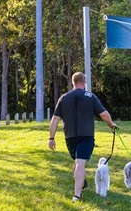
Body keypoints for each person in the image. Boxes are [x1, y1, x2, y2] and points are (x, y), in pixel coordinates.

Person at [48, 72, 117, 203]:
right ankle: (77, 195)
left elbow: (55, 119)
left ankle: (82, 183)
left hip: (70, 137)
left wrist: (51, 138)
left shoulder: (64, 97)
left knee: (77, 160)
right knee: (80, 162)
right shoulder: (90, 96)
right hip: (86, 135)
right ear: (84, 82)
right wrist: (111, 124)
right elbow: (103, 114)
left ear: (73, 82)